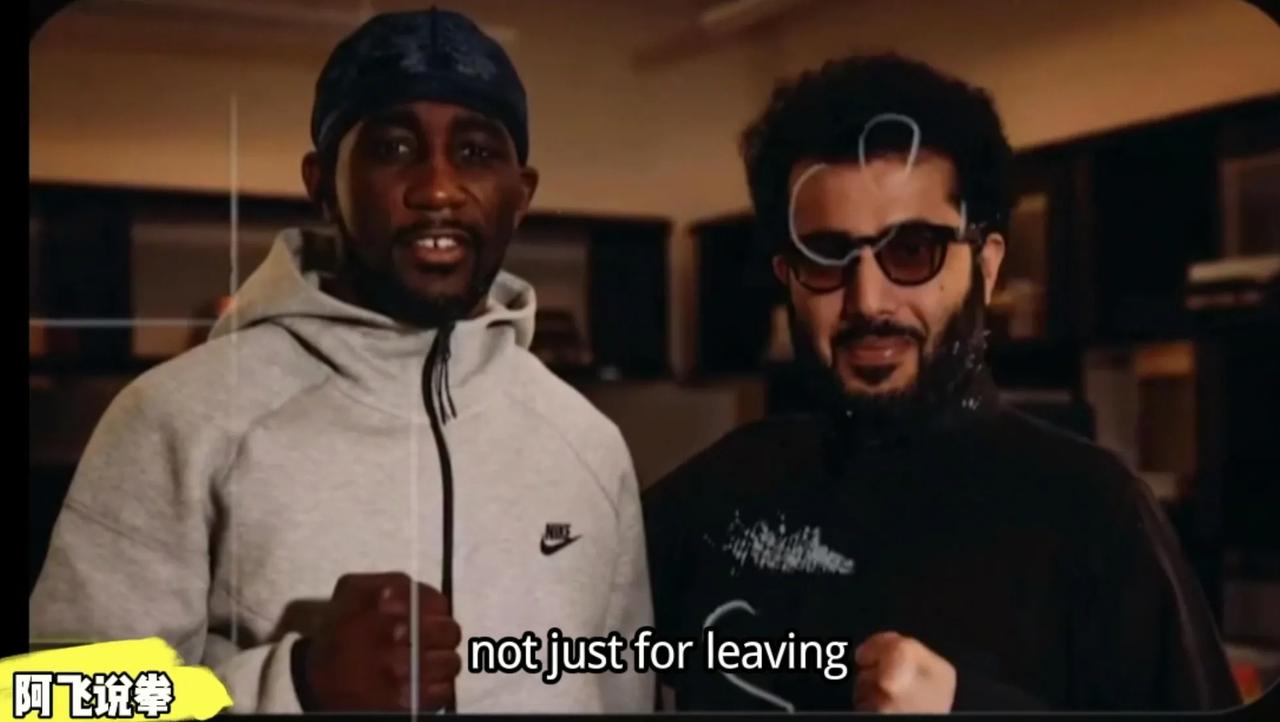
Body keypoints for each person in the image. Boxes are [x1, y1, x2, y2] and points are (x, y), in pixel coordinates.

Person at [30, 8, 654, 714]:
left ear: (522, 195)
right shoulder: (175, 417)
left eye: (477, 152)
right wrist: (296, 683)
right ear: (323, 182)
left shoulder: (588, 445)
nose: (438, 189)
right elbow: (53, 697)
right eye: (394, 148)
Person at [642, 53, 1243, 713]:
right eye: (826, 257)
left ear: (986, 265)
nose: (867, 301)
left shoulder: (1096, 515)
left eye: (911, 252)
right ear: (788, 276)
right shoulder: (725, 489)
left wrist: (968, 706)